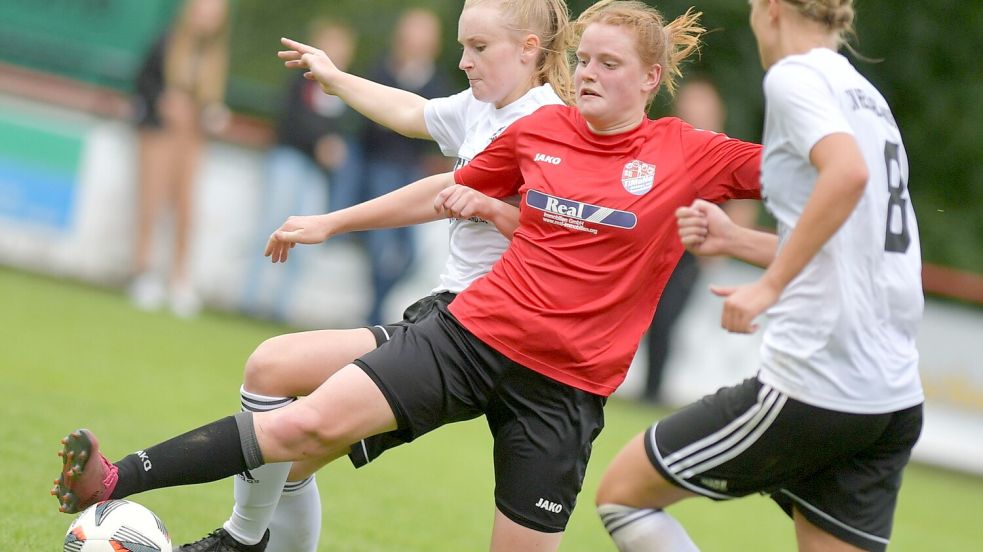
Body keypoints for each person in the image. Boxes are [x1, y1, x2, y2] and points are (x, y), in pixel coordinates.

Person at [52, 2, 763, 550]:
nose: (588, 75)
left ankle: (245, 536)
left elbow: (810, 177)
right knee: (300, 420)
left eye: (609, 65)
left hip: (564, 385)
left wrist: (759, 252)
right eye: (584, 60)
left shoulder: (686, 151)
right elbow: (437, 189)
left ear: (649, 79)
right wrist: (334, 219)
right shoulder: (536, 131)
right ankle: (119, 481)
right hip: (473, 330)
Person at [170, 0, 578, 550]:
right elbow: (413, 112)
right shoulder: (484, 107)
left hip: (485, 338)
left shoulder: (551, 127)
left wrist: (333, 222)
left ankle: (237, 539)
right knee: (276, 398)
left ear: (530, 48)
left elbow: (554, 239)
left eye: (478, 48)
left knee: (287, 433)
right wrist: (336, 80)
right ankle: (243, 538)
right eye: (462, 46)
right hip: (450, 317)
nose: (463, 61)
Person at [594, 1, 923, 551]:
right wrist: (740, 241)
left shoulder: (795, 76)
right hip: (889, 398)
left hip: (817, 382)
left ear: (770, 8)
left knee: (624, 495)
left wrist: (768, 287)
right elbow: (859, 244)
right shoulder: (865, 96)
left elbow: (847, 174)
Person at [641, 75, 759, 404]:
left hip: (689, 253)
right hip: (650, 246)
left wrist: (724, 245)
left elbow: (743, 198)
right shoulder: (664, 146)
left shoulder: (723, 152)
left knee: (665, 318)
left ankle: (651, 392)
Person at [239, 19, 363, 322]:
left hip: (316, 173)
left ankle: (282, 307)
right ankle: (249, 299)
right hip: (289, 162)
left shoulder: (345, 90)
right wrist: (319, 143)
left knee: (304, 240)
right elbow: (291, 121)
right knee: (271, 227)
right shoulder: (299, 82)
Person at [128, 0, 231, 318]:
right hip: (160, 133)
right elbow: (143, 82)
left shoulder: (215, 57)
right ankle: (143, 273)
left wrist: (213, 114)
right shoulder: (166, 42)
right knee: (152, 202)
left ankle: (179, 280)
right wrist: (163, 101)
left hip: (193, 138)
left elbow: (212, 99)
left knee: (186, 209)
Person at [357, 7, 452, 325]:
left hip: (413, 171)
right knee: (380, 245)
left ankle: (374, 307)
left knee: (410, 254)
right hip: (380, 167)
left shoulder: (437, 83)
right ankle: (374, 312)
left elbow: (437, 133)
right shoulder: (381, 70)